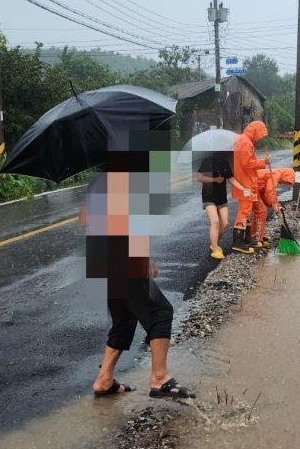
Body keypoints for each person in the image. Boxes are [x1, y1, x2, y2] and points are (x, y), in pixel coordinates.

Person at [79, 151, 195, 400]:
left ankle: (104, 380)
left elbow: (84, 219)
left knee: (125, 319)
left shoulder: (100, 180)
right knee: (160, 311)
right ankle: (160, 378)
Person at [195, 153, 250, 260]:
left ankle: (214, 243)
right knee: (215, 222)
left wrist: (243, 189)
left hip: (222, 198)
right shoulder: (207, 161)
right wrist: (214, 180)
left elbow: (231, 179)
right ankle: (215, 249)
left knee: (224, 224)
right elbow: (199, 177)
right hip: (209, 196)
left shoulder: (225, 162)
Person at [231, 121, 270, 254]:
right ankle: (238, 242)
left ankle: (246, 239)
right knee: (244, 211)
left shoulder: (243, 140)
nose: (260, 138)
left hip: (245, 181)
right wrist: (263, 162)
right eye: (260, 134)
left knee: (246, 211)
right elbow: (247, 163)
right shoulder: (245, 142)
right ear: (255, 131)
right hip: (245, 183)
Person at [251, 167, 296, 248]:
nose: (283, 183)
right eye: (286, 181)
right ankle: (257, 238)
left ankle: (260, 236)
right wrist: (275, 204)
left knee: (261, 211)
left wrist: (270, 204)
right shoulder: (275, 174)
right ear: (286, 175)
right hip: (250, 187)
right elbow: (270, 190)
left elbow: (262, 191)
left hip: (254, 188)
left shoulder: (274, 174)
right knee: (261, 211)